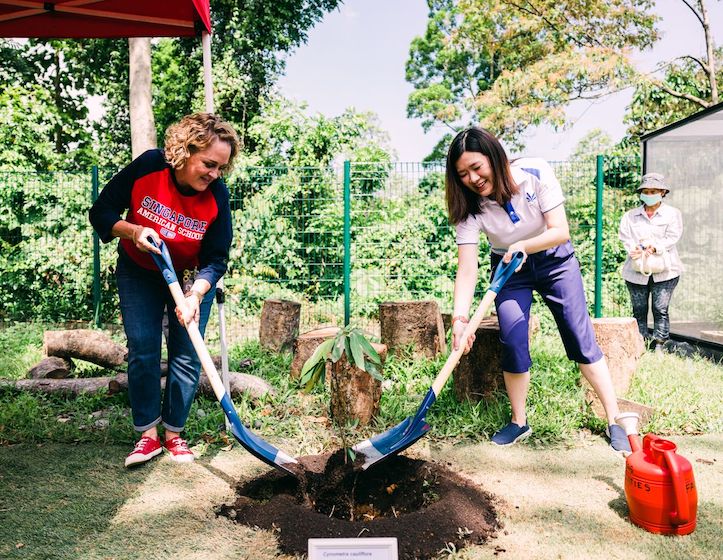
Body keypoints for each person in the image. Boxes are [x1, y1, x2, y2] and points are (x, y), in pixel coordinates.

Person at [445, 126, 631, 454]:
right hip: (509, 270)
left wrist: (523, 245)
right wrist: (460, 318)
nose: (472, 178)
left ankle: (614, 418)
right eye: (463, 174)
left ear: (494, 157)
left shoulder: (534, 171)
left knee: (579, 336)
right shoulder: (469, 209)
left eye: (477, 167)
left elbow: (560, 230)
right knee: (513, 338)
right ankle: (519, 422)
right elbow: (468, 266)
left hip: (555, 261)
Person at [89, 113, 240, 467]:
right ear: (186, 151)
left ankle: (174, 434)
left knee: (188, 352)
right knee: (143, 349)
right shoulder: (149, 166)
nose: (214, 174)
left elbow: (217, 258)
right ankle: (147, 435)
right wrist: (134, 231)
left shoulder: (217, 195)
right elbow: (102, 211)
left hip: (189, 277)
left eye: (221, 167)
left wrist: (195, 295)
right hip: (138, 270)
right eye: (208, 164)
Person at [619, 173, 683, 350]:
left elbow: (673, 237)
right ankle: (639, 344)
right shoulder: (630, 216)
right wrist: (635, 249)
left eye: (653, 191)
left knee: (660, 308)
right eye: (645, 191)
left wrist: (654, 247)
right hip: (636, 270)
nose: (649, 194)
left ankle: (659, 345)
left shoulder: (672, 214)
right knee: (638, 309)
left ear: (662, 192)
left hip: (666, 271)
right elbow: (625, 238)